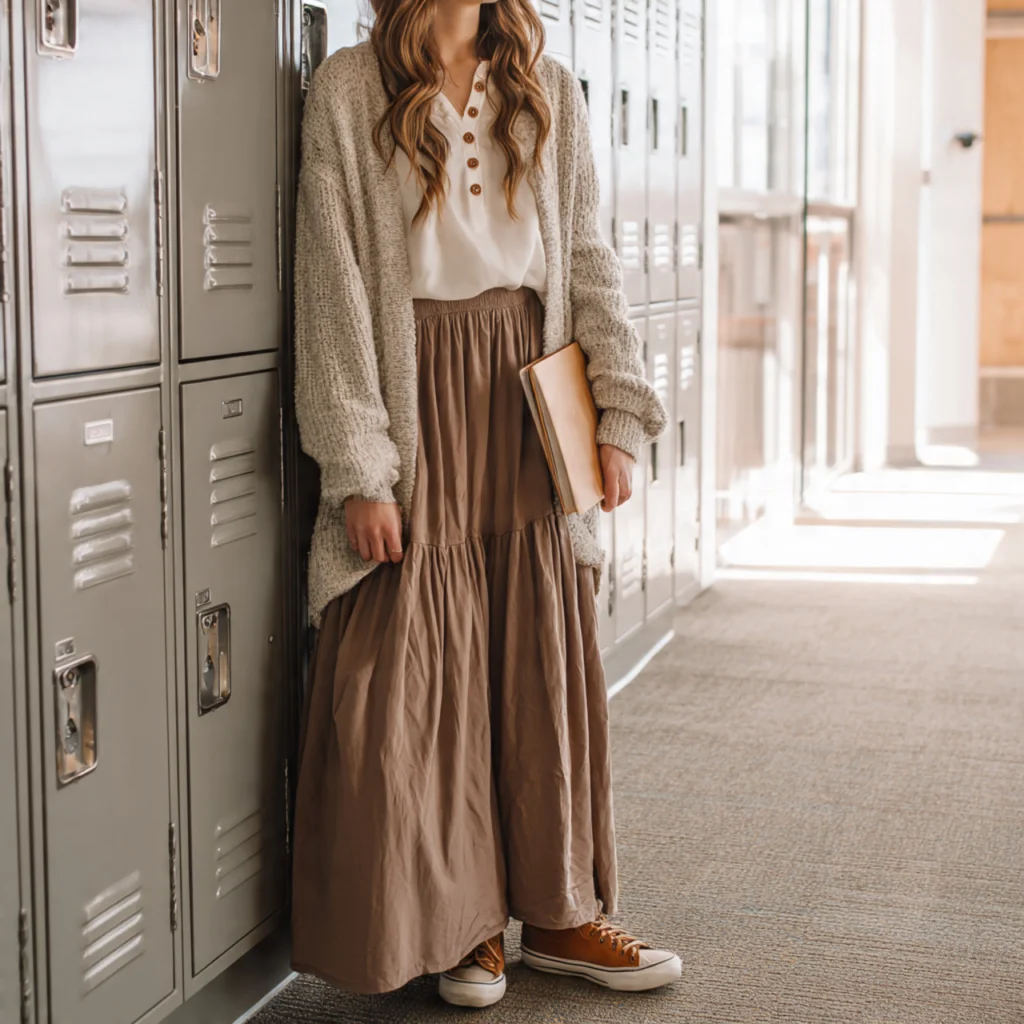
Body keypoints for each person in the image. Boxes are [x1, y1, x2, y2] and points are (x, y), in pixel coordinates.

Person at [290, 0, 678, 1007]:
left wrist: (617, 410)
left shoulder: (547, 87)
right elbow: (330, 286)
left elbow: (587, 257)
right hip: (417, 396)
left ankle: (554, 911)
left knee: (536, 656)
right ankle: (459, 922)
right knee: (418, 667)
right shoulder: (346, 86)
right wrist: (359, 468)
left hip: (525, 390)